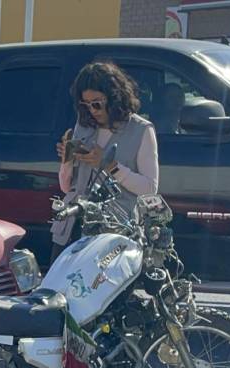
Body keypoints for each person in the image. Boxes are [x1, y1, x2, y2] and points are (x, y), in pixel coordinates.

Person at [54, 61, 159, 257]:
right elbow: (66, 187)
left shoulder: (141, 130)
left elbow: (149, 189)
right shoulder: (84, 125)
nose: (92, 110)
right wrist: (67, 159)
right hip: (74, 228)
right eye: (85, 104)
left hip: (115, 233)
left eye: (97, 103)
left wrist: (110, 165)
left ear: (115, 97)